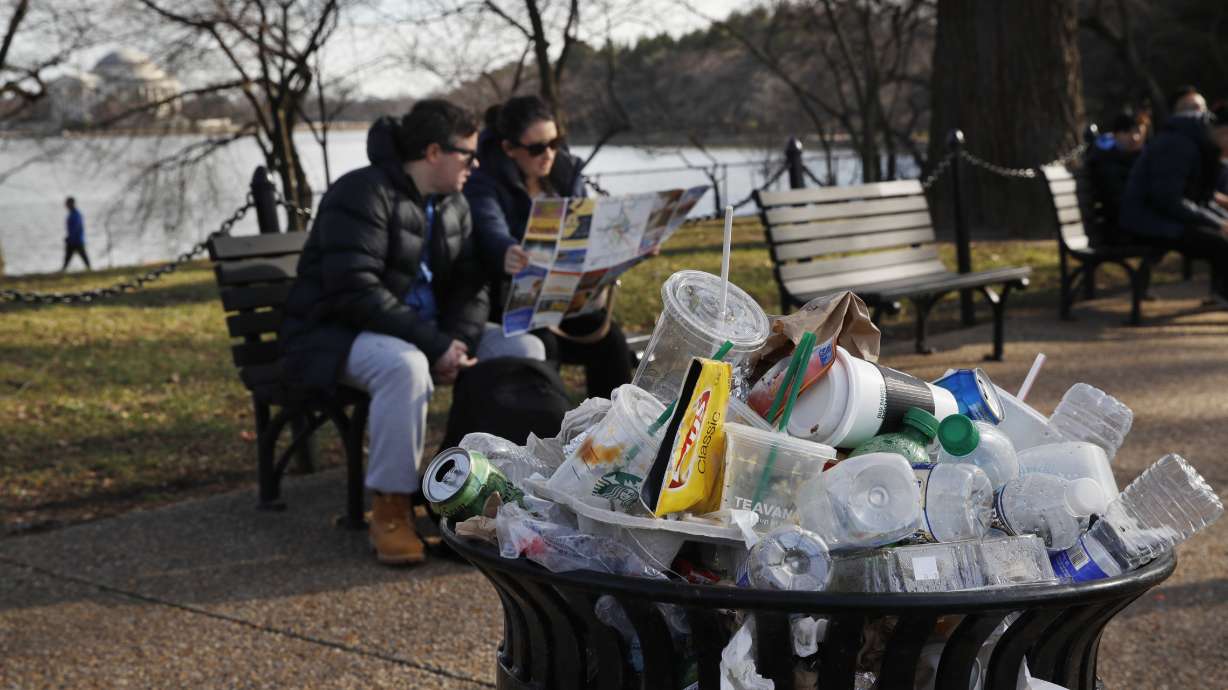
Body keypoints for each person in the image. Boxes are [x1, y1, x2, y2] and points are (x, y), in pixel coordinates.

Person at [279, 100, 545, 566]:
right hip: (337, 333)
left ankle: (497, 492)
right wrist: (436, 345)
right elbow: (352, 290)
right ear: (433, 152)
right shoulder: (360, 193)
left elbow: (471, 285)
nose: (476, 164)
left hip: (426, 336)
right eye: (467, 154)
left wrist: (456, 342)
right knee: (405, 366)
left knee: (523, 345)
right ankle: (391, 509)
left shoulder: (454, 204)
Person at [464, 95, 633, 398]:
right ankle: (551, 433)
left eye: (555, 143)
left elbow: (590, 229)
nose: (549, 154)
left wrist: (627, 249)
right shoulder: (484, 182)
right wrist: (508, 251)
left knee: (611, 341)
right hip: (512, 306)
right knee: (546, 347)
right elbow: (490, 229)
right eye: (538, 148)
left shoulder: (565, 173)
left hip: (568, 300)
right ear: (509, 149)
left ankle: (613, 434)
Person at [1121, 87, 1228, 304]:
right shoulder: (1178, 145)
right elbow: (1168, 200)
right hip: (1145, 221)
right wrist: (1218, 224)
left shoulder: (1201, 144)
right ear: (1224, 132)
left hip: (1162, 216)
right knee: (1220, 241)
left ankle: (1221, 294)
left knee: (1221, 234)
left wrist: (1221, 220)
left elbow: (1202, 199)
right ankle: (1222, 294)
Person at [1086, 111, 1145, 240]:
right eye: (1128, 132)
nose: (1135, 138)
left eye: (1139, 132)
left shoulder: (1131, 157)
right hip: (1119, 227)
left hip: (1126, 222)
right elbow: (1118, 201)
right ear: (1116, 134)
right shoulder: (1106, 160)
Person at [61, 197, 91, 271]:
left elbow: (76, 228)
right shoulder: (73, 214)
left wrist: (70, 238)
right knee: (68, 257)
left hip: (76, 240)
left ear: (71, 203)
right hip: (74, 239)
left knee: (82, 256)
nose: (66, 205)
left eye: (67, 203)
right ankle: (63, 270)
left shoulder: (75, 214)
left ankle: (89, 269)